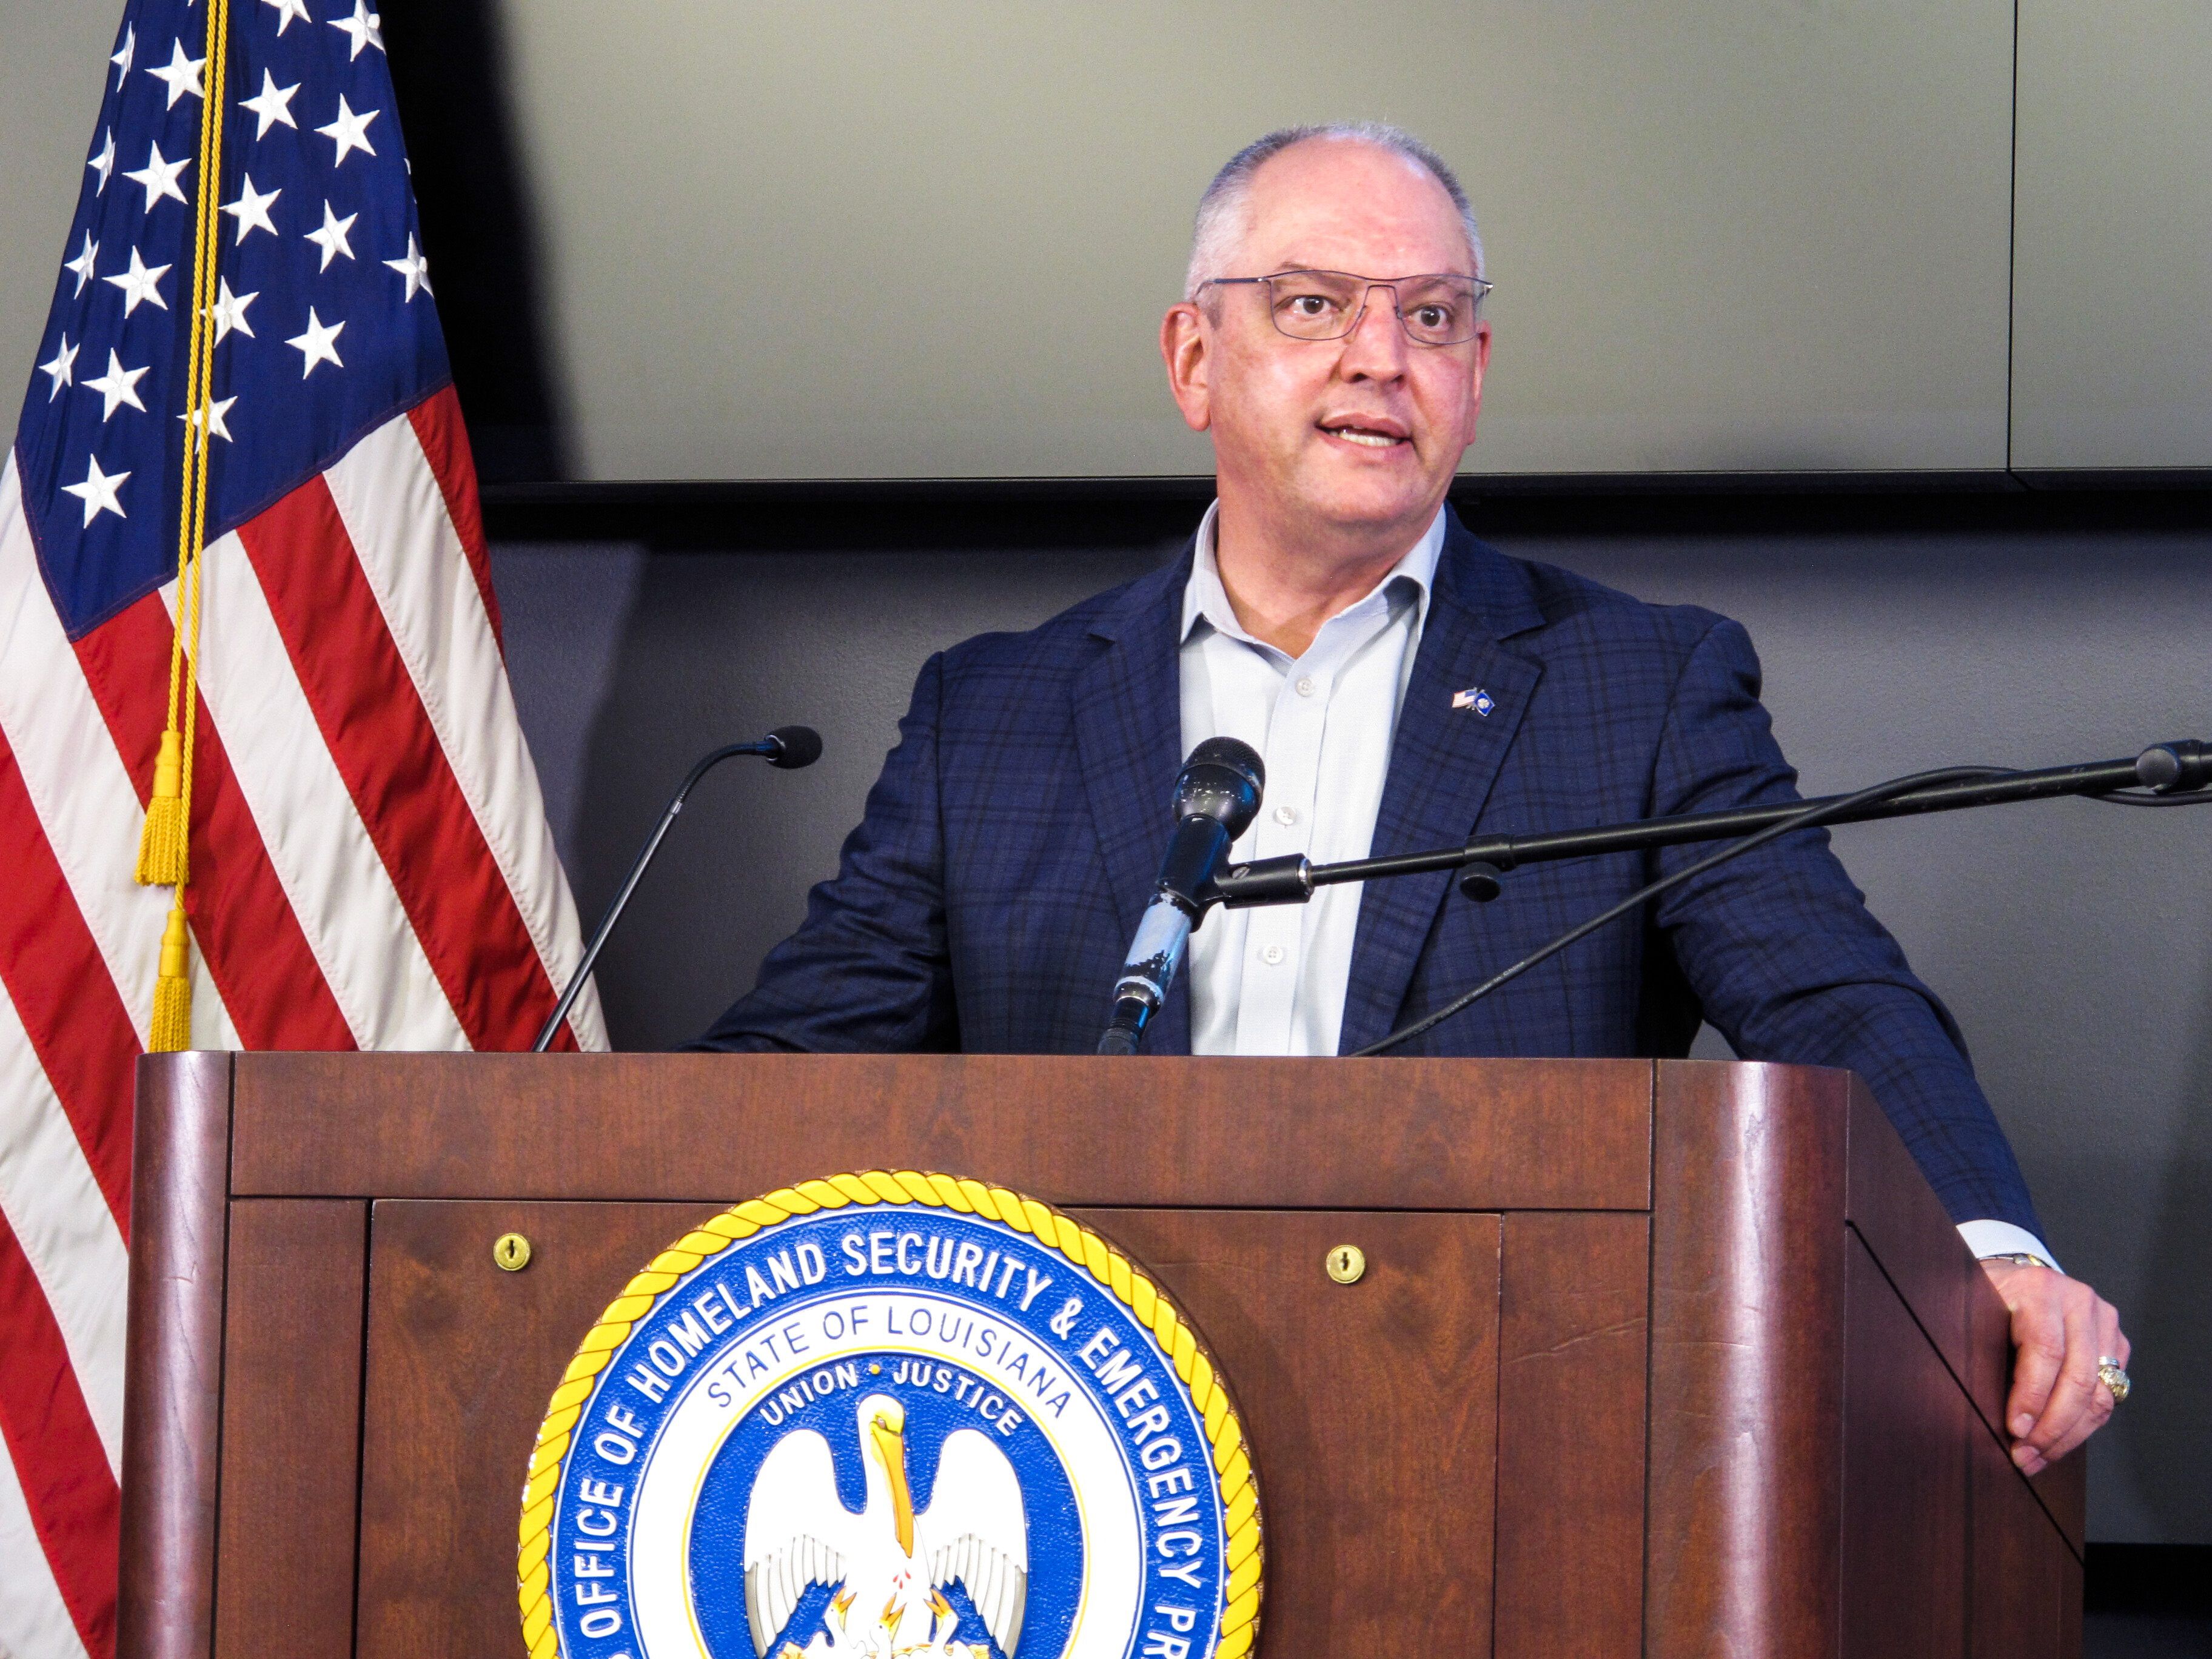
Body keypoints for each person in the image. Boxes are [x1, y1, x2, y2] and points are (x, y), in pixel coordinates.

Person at [695, 122, 2128, 1476]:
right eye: (1314, 305)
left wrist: (1994, 1250)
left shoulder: (1632, 683)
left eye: (1431, 316)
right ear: (1196, 358)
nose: (1382, 357)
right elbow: (804, 1066)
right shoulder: (991, 711)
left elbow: (1831, 998)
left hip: (1489, 1426)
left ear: (1477, 369)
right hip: (1080, 1442)